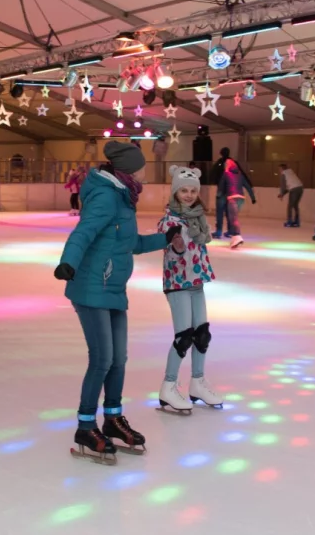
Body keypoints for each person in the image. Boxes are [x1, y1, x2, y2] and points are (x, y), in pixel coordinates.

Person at [55, 141, 178, 463]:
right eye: (143, 166)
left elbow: (131, 243)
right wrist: (68, 262)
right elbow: (83, 232)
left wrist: (164, 239)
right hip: (91, 286)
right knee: (102, 359)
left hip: (112, 289)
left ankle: (111, 419)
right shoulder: (107, 196)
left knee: (119, 359)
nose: (146, 171)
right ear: (129, 170)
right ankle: (85, 426)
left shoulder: (124, 197)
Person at [156, 166, 221, 414]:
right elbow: (171, 252)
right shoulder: (169, 221)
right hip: (177, 284)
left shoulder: (197, 219)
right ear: (175, 192)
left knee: (201, 335)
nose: (189, 194)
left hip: (196, 283)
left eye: (193, 190)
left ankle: (197, 382)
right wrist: (178, 247)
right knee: (183, 337)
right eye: (184, 190)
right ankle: (168, 386)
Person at [212, 148, 256, 249]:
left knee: (226, 215)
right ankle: (232, 232)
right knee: (232, 216)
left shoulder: (223, 169)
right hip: (240, 197)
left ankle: (234, 235)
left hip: (229, 195)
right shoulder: (238, 172)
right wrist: (253, 197)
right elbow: (246, 184)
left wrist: (219, 193)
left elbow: (216, 178)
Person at [278, 163, 304, 228]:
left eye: (279, 169)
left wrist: (281, 194)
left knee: (290, 206)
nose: (279, 170)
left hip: (294, 190)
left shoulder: (284, 174)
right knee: (295, 205)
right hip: (300, 188)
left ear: (281, 169)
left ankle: (289, 221)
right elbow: (289, 187)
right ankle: (297, 221)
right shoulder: (290, 172)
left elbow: (283, 186)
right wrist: (282, 194)